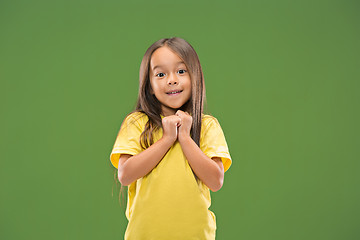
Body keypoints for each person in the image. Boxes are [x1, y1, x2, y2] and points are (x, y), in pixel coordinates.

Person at [109, 37, 232, 240]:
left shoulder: (207, 125)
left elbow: (215, 180)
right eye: (160, 74)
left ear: (195, 77)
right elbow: (125, 174)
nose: (172, 79)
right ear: (149, 85)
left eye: (181, 71)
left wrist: (184, 137)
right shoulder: (136, 123)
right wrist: (167, 139)